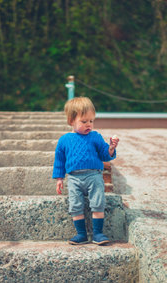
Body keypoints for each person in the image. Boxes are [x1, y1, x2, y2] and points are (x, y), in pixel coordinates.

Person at [52, 97, 119, 245]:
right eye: (84, 122)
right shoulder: (64, 140)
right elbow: (59, 161)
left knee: (98, 202)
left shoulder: (95, 136)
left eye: (91, 121)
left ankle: (98, 234)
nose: (89, 124)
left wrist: (111, 147)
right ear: (71, 121)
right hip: (74, 178)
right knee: (75, 205)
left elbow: (104, 154)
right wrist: (59, 179)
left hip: (94, 176)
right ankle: (81, 234)